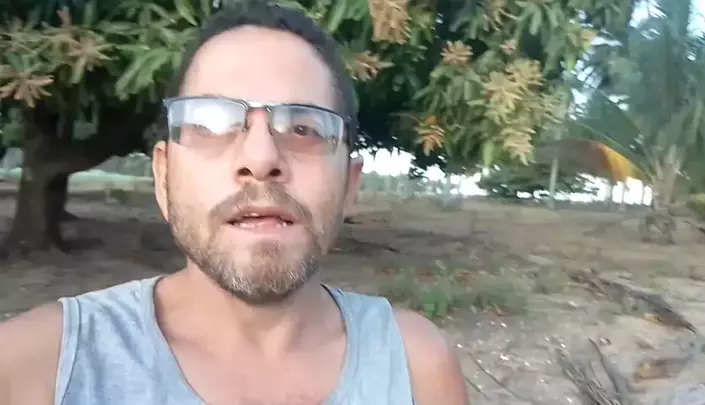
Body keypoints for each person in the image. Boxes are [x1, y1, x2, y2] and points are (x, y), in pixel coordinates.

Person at [0, 1, 469, 404]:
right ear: (163, 176)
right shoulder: (34, 370)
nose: (260, 159)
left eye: (304, 128)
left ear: (350, 185)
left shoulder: (417, 368)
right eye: (210, 123)